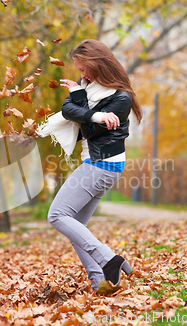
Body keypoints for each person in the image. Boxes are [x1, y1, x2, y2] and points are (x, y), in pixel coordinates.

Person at [43, 39, 142, 291]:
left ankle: (109, 259)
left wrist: (81, 102)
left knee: (57, 214)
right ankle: (99, 282)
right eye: (79, 69)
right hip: (97, 163)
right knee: (75, 226)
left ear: (99, 63)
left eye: (84, 68)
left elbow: (89, 130)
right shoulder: (89, 89)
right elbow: (68, 109)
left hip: (101, 164)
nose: (81, 74)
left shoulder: (121, 98)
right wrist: (78, 94)